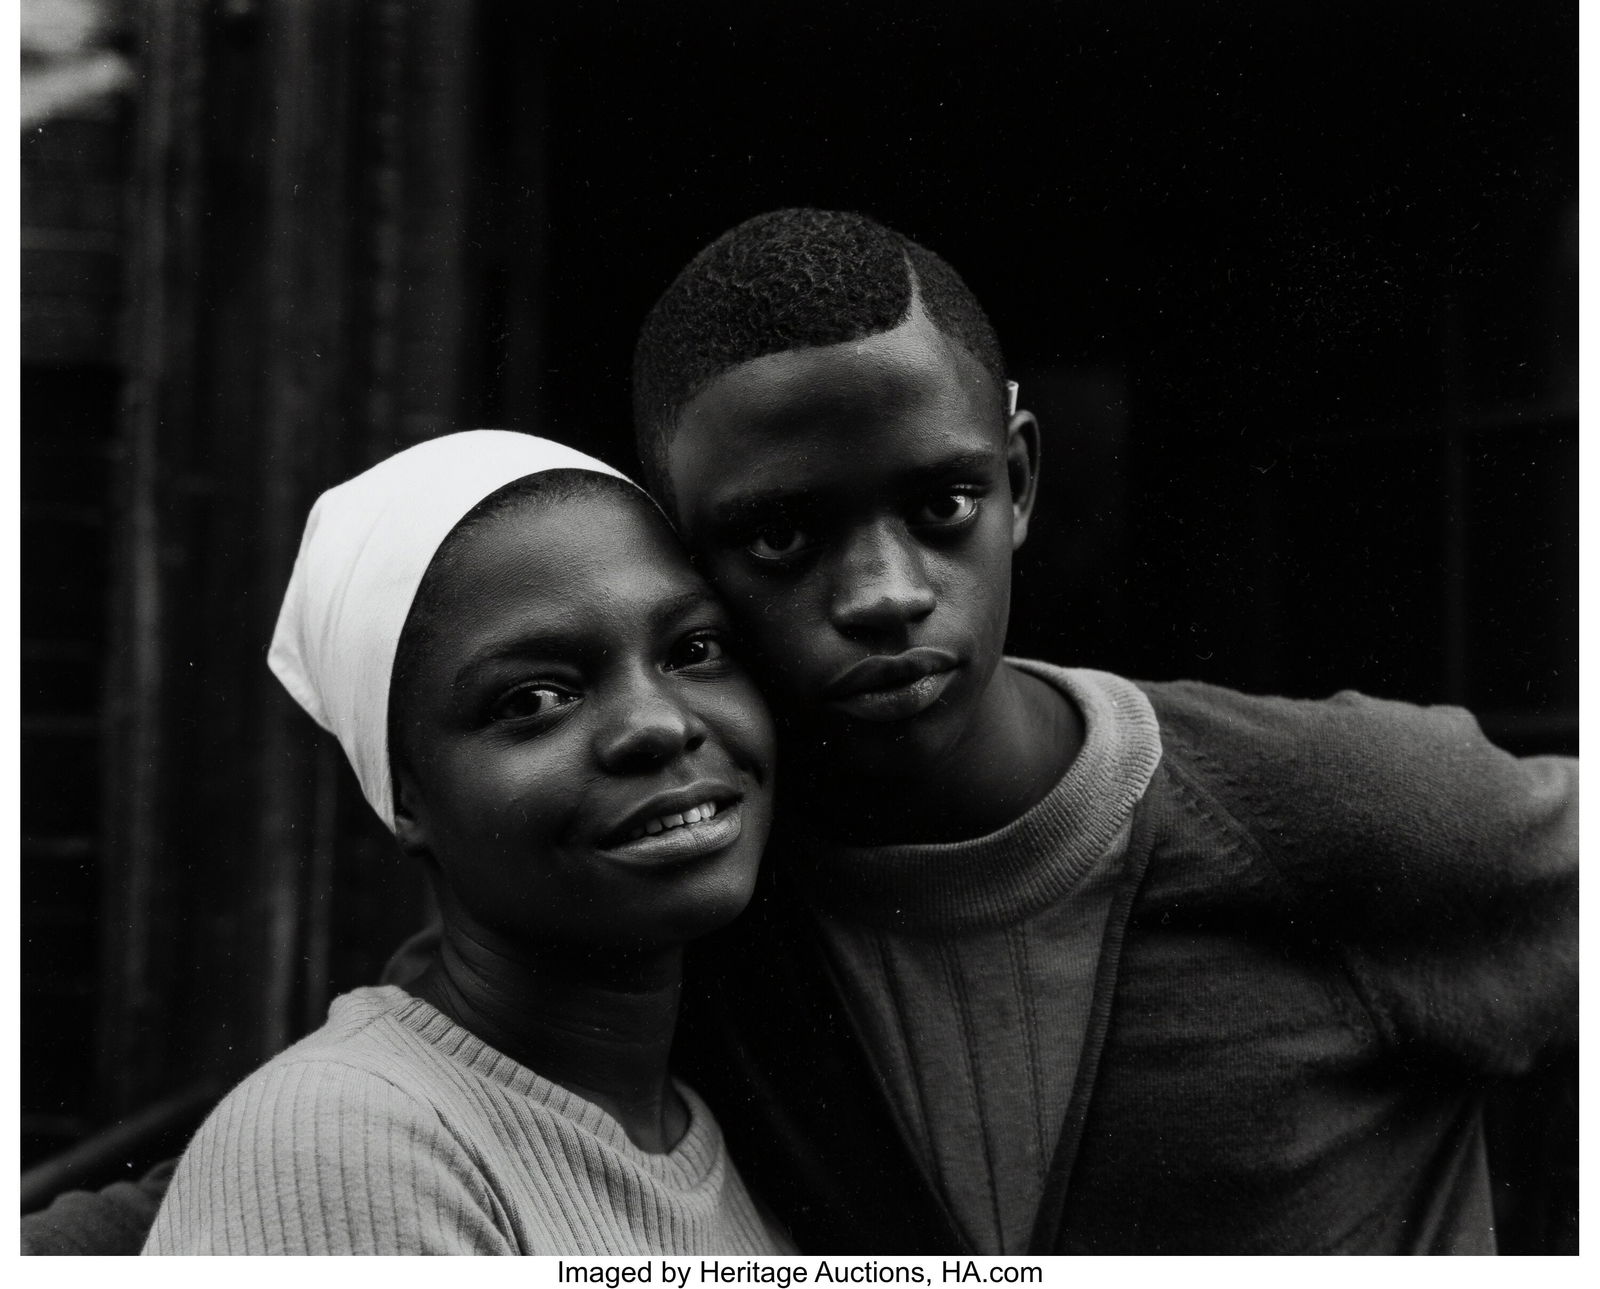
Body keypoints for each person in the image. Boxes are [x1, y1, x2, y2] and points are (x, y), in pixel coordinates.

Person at [628, 208, 1579, 1254]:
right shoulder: (682, 907)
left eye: (943, 504)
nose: (884, 592)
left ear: (1018, 481)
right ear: (675, 559)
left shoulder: (1345, 806)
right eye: (779, 535)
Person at [141, 431, 791, 1255]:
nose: (659, 724)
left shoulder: (730, 1129)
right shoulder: (349, 1143)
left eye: (693, 650)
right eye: (534, 698)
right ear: (405, 795)